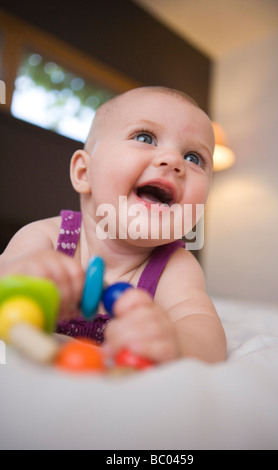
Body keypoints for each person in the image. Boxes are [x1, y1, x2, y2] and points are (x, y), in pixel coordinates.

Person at [0, 86, 226, 364]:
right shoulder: (48, 238)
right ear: (84, 173)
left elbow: (204, 329)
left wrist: (175, 342)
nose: (174, 161)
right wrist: (20, 274)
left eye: (194, 158)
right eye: (145, 137)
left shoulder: (175, 266)